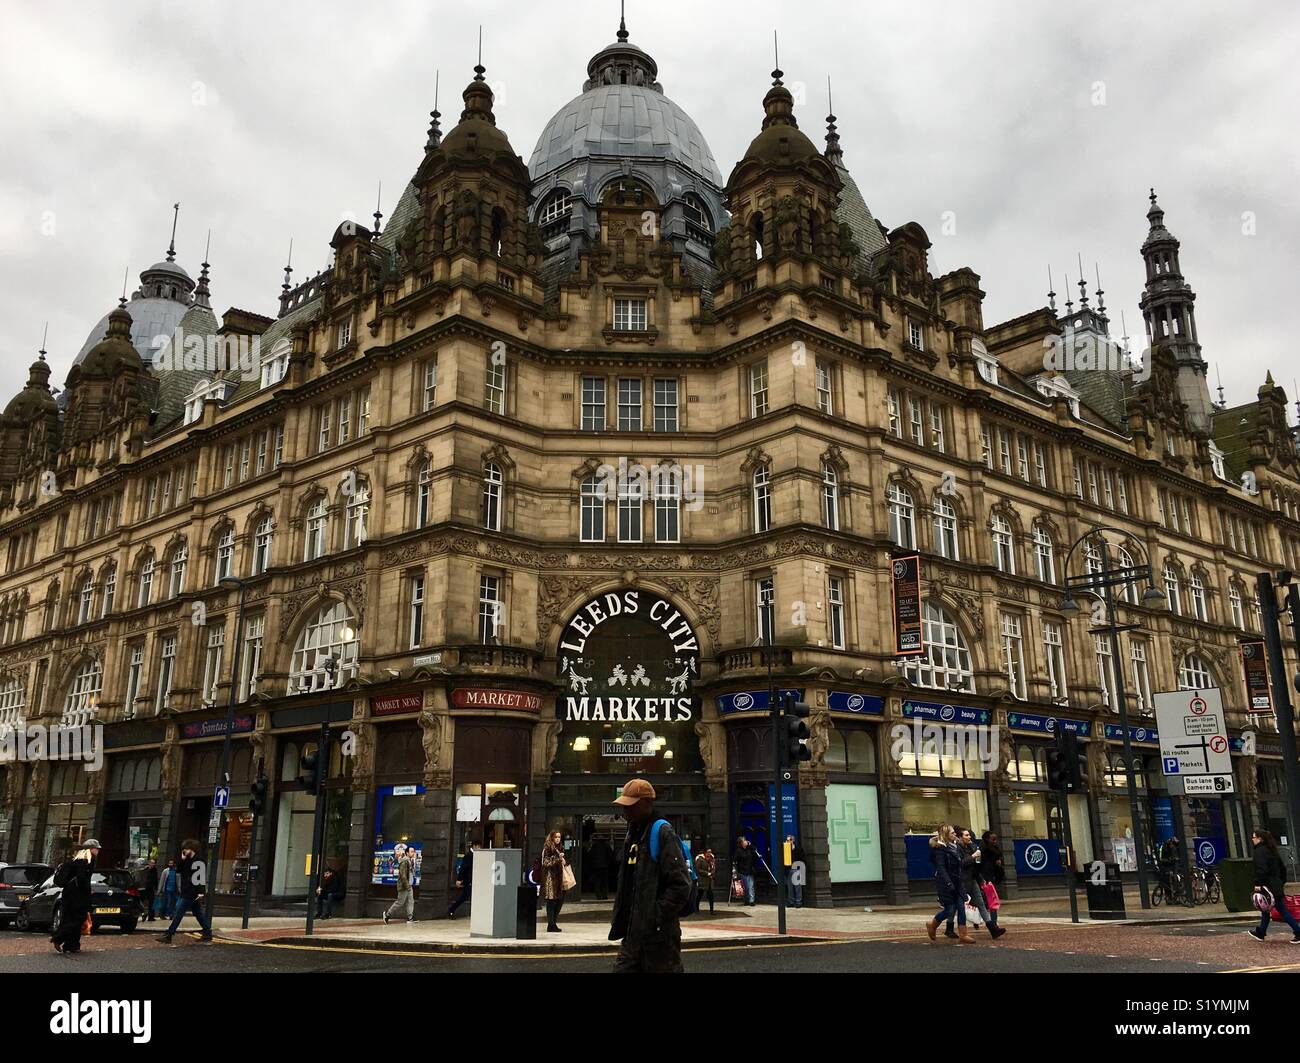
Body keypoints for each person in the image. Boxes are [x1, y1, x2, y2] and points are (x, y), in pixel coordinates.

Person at [608, 778, 692, 973]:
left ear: (646, 804)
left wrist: (654, 916)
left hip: (659, 939)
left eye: (631, 806)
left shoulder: (662, 832)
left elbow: (681, 885)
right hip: (633, 935)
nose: (625, 812)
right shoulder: (633, 833)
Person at [1248, 830, 1300, 943]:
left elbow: (1261, 869)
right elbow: (1283, 868)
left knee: (1281, 910)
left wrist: (1258, 883)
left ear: (1260, 839)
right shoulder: (1272, 850)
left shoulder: (1259, 852)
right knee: (1265, 909)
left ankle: (1298, 931)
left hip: (1267, 886)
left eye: (1254, 837)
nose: (1252, 839)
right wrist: (1281, 882)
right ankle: (1261, 932)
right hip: (1276, 885)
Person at [925, 825, 973, 944]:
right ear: (946, 835)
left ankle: (963, 934)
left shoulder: (955, 846)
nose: (955, 834)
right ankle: (932, 924)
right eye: (952, 833)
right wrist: (948, 882)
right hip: (946, 883)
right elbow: (941, 868)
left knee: (961, 907)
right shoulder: (939, 849)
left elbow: (959, 864)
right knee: (950, 909)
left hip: (957, 881)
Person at [51, 839, 100, 955]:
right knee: (76, 918)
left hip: (71, 893)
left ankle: (72, 945)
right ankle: (59, 938)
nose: (98, 850)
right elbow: (82, 879)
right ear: (90, 849)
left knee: (72, 918)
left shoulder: (77, 860)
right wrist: (87, 891)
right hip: (77, 894)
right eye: (96, 848)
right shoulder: (85, 861)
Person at [159, 840, 213, 944]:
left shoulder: (199, 861)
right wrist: (182, 859)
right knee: (197, 913)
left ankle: (169, 934)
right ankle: (207, 932)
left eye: (186, 849)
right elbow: (178, 871)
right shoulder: (187, 860)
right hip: (186, 890)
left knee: (179, 912)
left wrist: (201, 892)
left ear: (192, 849)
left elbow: (201, 878)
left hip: (192, 892)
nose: (184, 851)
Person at [959, 827, 1004, 939]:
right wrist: (974, 856)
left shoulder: (972, 847)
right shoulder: (957, 848)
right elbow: (962, 863)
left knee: (981, 904)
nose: (969, 837)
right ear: (960, 837)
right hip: (962, 880)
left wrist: (979, 878)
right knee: (955, 907)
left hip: (974, 878)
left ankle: (993, 929)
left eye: (969, 835)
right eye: (966, 835)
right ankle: (950, 927)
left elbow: (975, 865)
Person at [541, 830, 569, 932]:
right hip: (551, 879)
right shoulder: (547, 848)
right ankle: (551, 924)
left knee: (559, 901)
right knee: (551, 902)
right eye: (556, 837)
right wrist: (557, 858)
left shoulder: (560, 848)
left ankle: (554, 923)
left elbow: (564, 862)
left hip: (560, 879)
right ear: (552, 837)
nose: (558, 839)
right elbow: (545, 862)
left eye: (559, 837)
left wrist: (564, 861)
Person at [382, 843, 416, 924]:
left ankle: (410, 918)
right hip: (404, 886)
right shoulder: (404, 861)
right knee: (400, 902)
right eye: (411, 851)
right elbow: (403, 875)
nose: (413, 853)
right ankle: (387, 915)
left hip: (409, 885)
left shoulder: (410, 861)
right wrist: (407, 885)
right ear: (407, 853)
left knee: (410, 901)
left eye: (413, 851)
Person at [448, 840, 479, 918]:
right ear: (474, 846)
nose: (479, 848)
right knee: (465, 896)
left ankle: (452, 909)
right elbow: (463, 868)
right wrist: (459, 879)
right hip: (468, 880)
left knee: (466, 896)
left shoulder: (476, 855)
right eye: (478, 846)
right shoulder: (469, 855)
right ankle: (451, 909)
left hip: (473, 880)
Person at [733, 835, 758, 906]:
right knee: (745, 887)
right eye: (744, 840)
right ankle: (746, 900)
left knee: (751, 886)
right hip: (743, 870)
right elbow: (735, 860)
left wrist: (750, 845)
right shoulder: (738, 850)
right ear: (741, 843)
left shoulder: (749, 848)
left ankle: (751, 900)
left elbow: (755, 849)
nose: (746, 841)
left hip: (750, 869)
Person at [588, 834, 614, 900]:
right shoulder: (607, 846)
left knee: (597, 881)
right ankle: (604, 895)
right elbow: (611, 855)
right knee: (604, 881)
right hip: (605, 866)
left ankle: (598, 895)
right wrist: (608, 863)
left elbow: (591, 855)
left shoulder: (594, 846)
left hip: (596, 866)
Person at [786, 835, 807, 908]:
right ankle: (791, 901)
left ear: (792, 841)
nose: (788, 841)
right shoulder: (785, 849)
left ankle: (798, 902)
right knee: (790, 887)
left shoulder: (798, 849)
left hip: (796, 868)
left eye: (789, 840)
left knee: (797, 886)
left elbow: (803, 858)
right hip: (788, 869)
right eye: (787, 840)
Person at [694, 847, 717, 914]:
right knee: (700, 894)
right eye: (708, 852)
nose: (709, 853)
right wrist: (707, 873)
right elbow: (698, 869)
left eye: (710, 852)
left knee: (711, 895)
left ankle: (711, 911)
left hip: (709, 880)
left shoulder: (712, 858)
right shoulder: (700, 859)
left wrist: (712, 873)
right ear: (705, 852)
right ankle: (696, 909)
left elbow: (713, 867)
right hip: (702, 880)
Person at [142, 858, 159, 923]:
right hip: (144, 888)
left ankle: (150, 917)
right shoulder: (146, 870)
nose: (152, 864)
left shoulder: (155, 870)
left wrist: (156, 888)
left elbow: (155, 880)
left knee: (151, 903)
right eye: (151, 863)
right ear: (149, 863)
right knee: (143, 902)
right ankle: (144, 914)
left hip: (151, 888)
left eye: (154, 863)